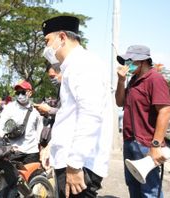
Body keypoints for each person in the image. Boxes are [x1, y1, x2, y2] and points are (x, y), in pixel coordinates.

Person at [40, 16, 113, 198]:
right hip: (71, 160)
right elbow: (70, 116)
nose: (46, 48)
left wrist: (74, 164)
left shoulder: (84, 65)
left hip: (79, 166)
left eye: (47, 41)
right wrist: (53, 147)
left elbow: (90, 116)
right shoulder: (72, 66)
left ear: (62, 37)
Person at [115, 45, 170, 198]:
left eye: (131, 60)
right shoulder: (133, 80)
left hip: (147, 143)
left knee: (150, 190)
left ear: (143, 61)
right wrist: (121, 82)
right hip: (130, 141)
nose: (127, 64)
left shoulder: (155, 79)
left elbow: (165, 111)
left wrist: (156, 145)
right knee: (133, 186)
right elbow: (120, 102)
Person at [0, 80, 43, 164]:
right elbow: (0, 127)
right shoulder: (9, 108)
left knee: (32, 176)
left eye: (23, 92)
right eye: (17, 93)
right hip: (14, 151)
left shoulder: (35, 112)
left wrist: (41, 150)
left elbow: (39, 132)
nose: (20, 95)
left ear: (30, 93)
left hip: (31, 152)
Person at [34, 63, 62, 149]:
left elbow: (68, 112)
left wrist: (49, 110)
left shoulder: (69, 90)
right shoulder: (60, 89)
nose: (51, 80)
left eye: (53, 76)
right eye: (50, 77)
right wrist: (46, 112)